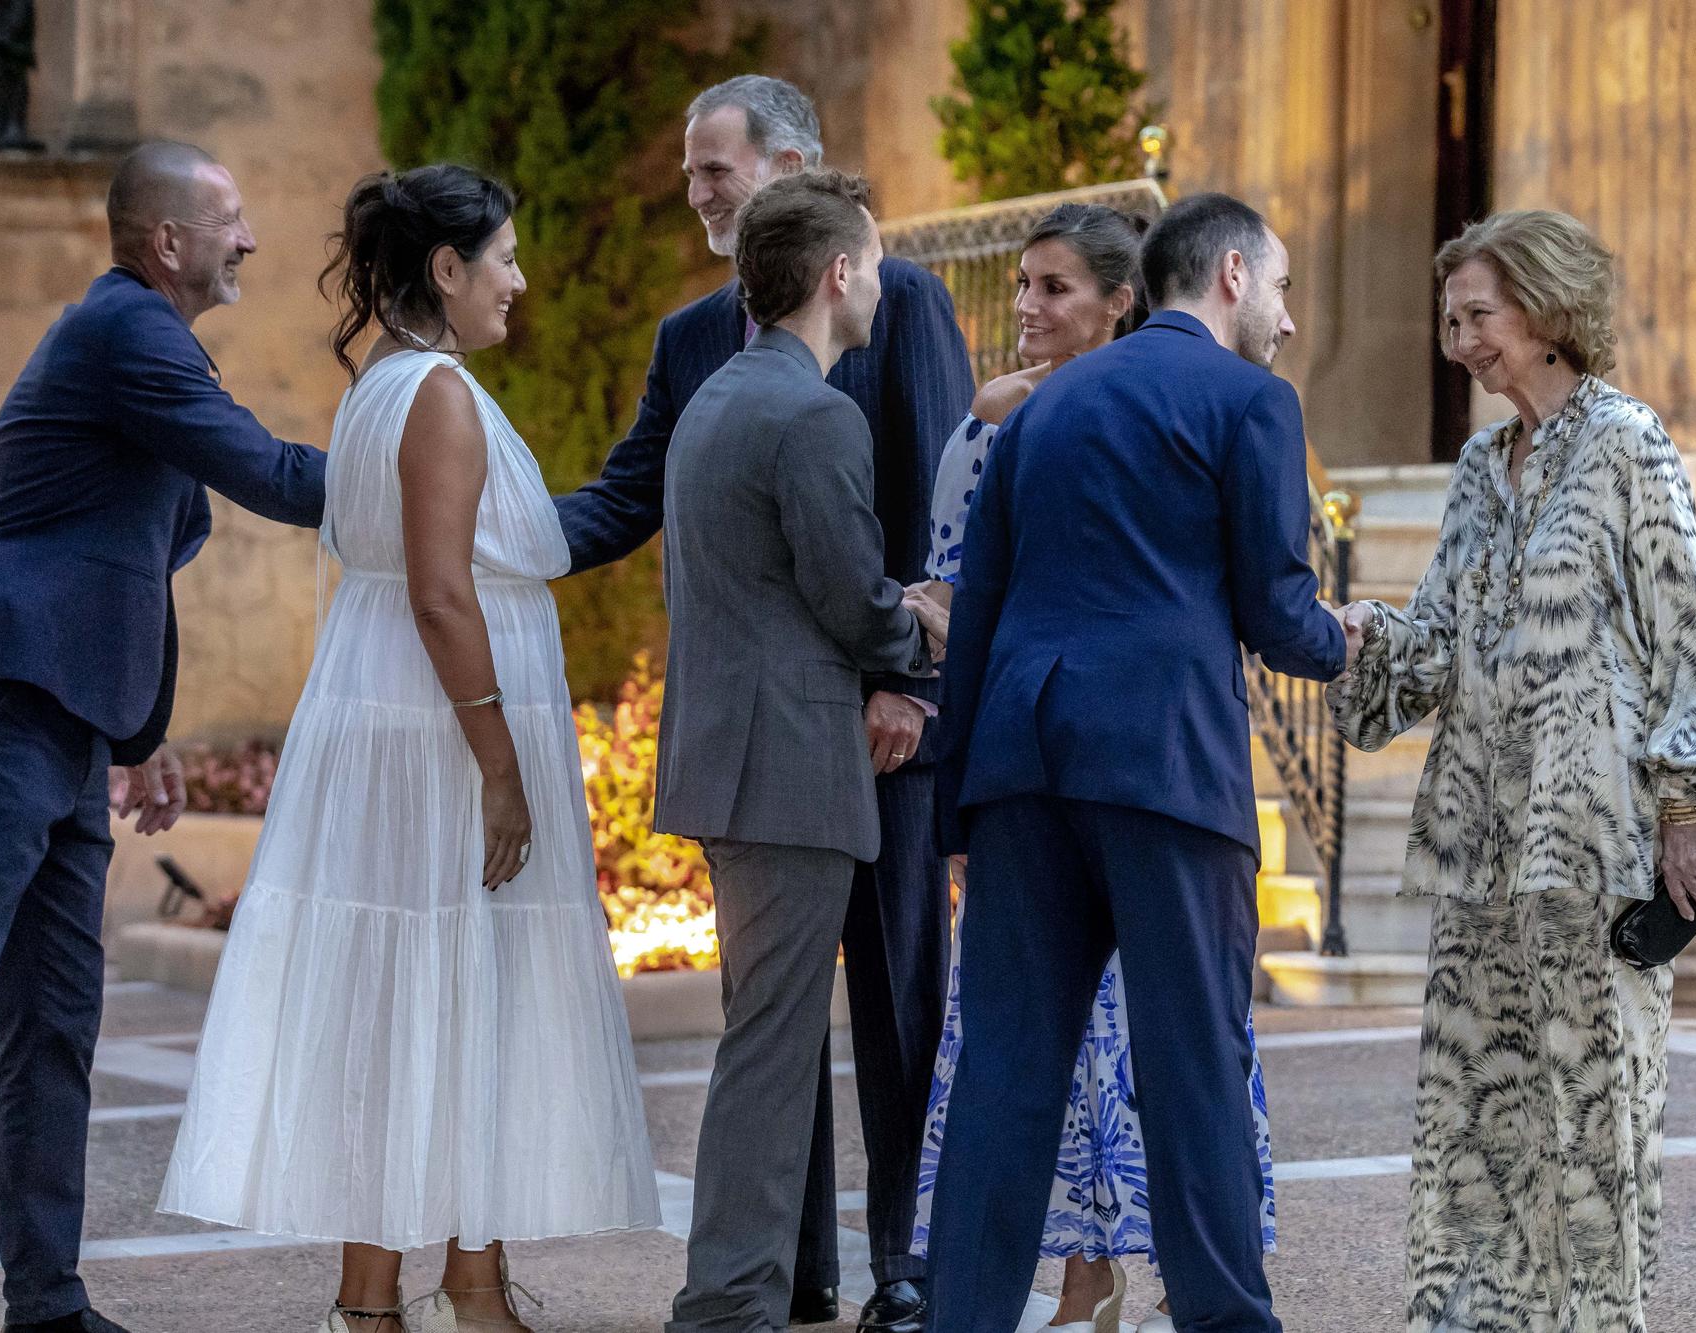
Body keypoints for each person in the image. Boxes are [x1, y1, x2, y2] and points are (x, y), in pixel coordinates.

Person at [158, 164, 662, 1333]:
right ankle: (394, 1301)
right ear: (447, 268)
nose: (521, 281)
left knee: (434, 999)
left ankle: (434, 1290)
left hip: (395, 715)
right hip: (437, 733)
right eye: (505, 258)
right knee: (434, 992)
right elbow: (442, 594)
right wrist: (500, 770)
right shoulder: (432, 390)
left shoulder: (386, 380)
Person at [554, 73, 974, 1333]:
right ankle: (782, 1270)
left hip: (882, 727)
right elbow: (636, 495)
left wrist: (908, 683)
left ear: (789, 166)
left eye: (714, 169)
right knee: (775, 1020)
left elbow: (940, 496)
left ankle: (900, 1259)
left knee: (896, 995)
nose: (696, 193)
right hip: (783, 735)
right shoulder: (698, 343)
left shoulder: (905, 308)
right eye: (689, 173)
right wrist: (503, 534)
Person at [925, 193, 1349, 1333]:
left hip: (1020, 764)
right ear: (1225, 275)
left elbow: (979, 609)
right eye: (1281, 285)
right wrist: (1344, 639)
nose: (1287, 319)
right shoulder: (1252, 400)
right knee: (1191, 1067)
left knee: (1005, 1075)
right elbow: (1274, 607)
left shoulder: (1045, 410)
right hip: (1164, 769)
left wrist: (953, 805)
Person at [1330, 209, 1696, 1332]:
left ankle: (1594, 1319)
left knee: (1592, 1109)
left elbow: (1690, 634)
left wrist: (1681, 809)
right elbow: (1433, 636)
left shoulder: (1627, 442)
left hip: (1592, 843)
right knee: (1476, 1107)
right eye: (1447, 318)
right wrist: (1353, 637)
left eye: (1475, 315)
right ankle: (1476, 1316)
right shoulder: (1478, 464)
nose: (1455, 339)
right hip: (1483, 848)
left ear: (1545, 310)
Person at [0, 139, 327, 1333]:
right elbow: (275, 476)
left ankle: (47, 1305)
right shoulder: (130, 332)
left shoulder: (144, 349)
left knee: (56, 1029)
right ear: (167, 243)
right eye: (230, 220)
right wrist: (430, 468)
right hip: (7, 704)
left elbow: (134, 565)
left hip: (68, 728)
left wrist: (142, 732)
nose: (250, 240)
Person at [654, 167, 944, 1333]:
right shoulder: (816, 411)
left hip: (734, 761)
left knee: (760, 1042)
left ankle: (740, 1292)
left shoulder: (723, 394)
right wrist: (916, 617)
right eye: (870, 261)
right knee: (769, 1057)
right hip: (785, 770)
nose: (881, 281)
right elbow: (847, 599)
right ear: (835, 274)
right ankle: (726, 1303)